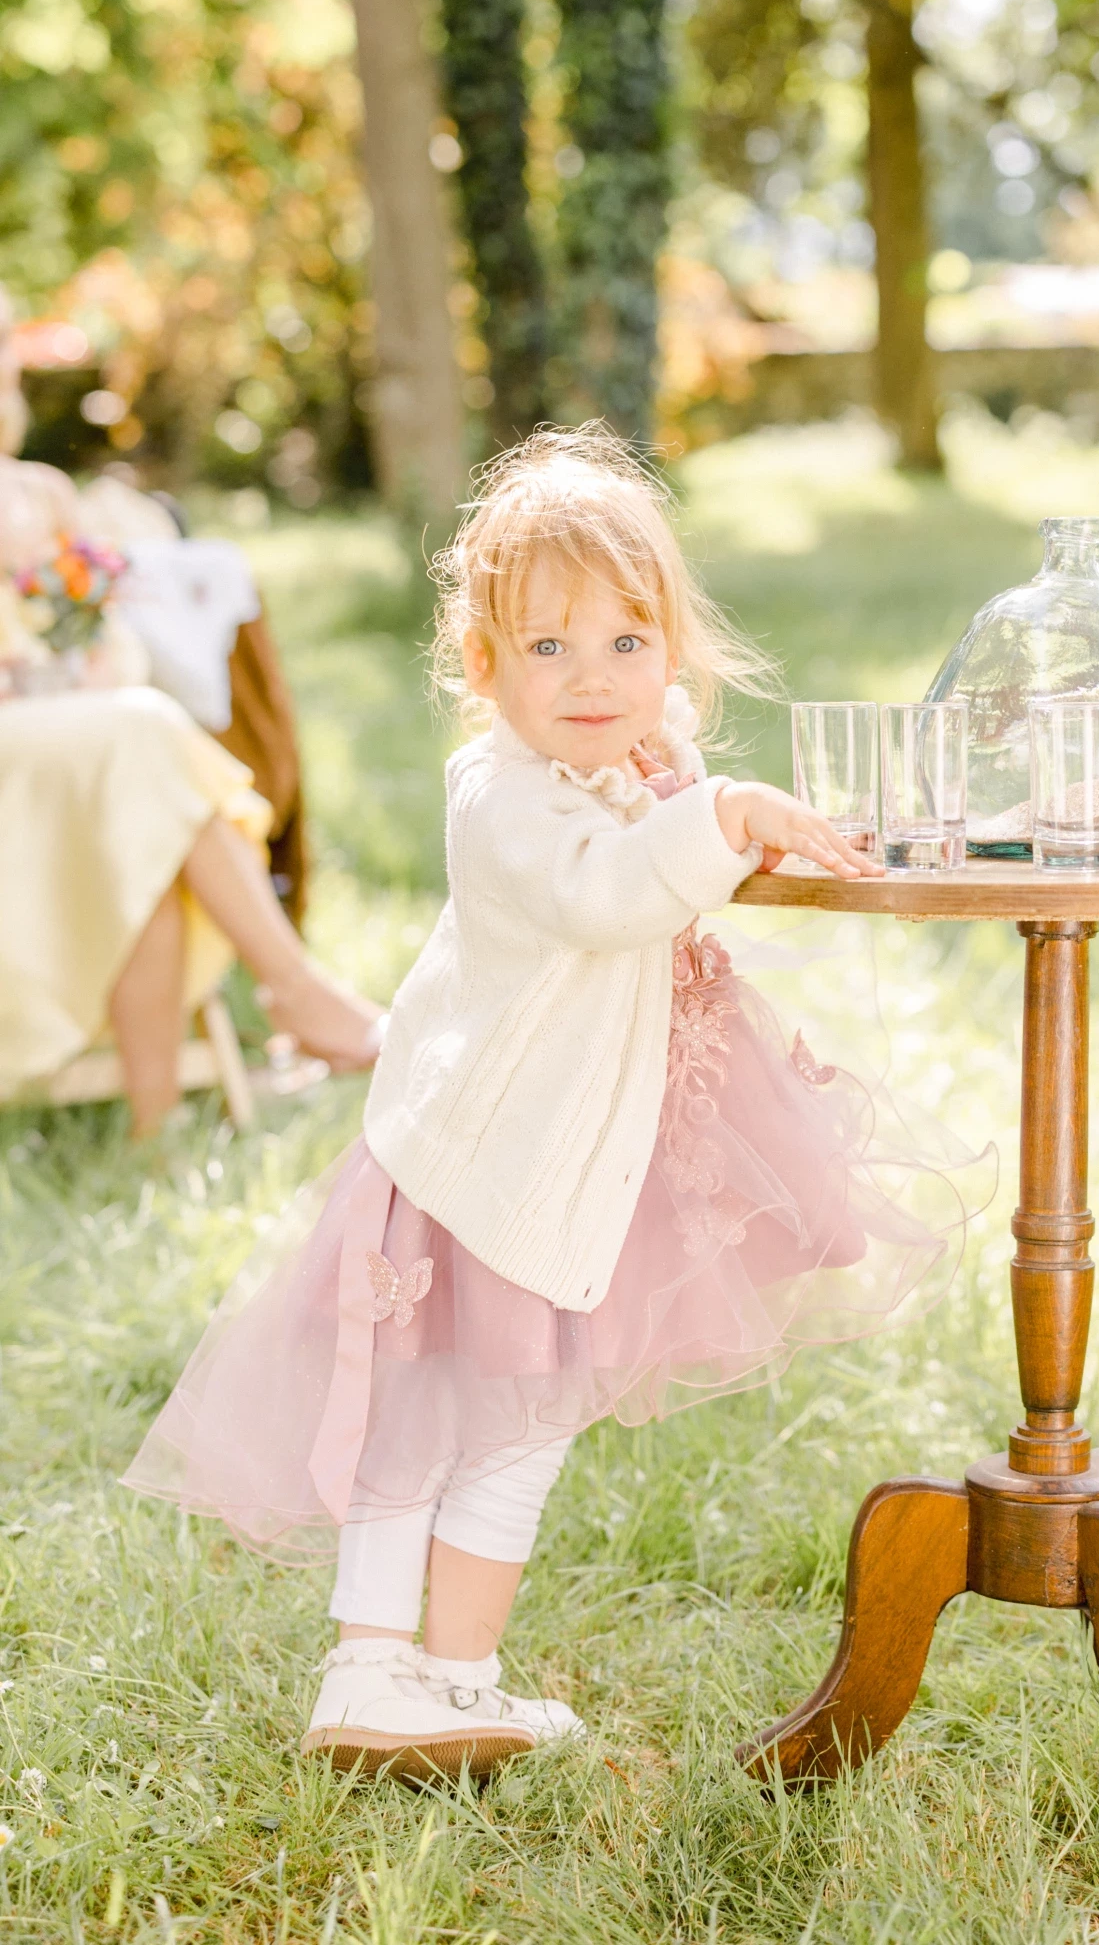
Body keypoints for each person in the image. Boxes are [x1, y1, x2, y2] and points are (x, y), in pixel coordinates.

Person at [123, 427, 983, 1779]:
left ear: (674, 655)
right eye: (546, 649)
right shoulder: (500, 794)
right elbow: (608, 890)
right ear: (482, 667)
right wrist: (725, 818)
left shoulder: (631, 765)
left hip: (566, 1157)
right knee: (441, 1420)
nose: (593, 679)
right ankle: (377, 1671)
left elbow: (669, 835)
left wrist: (737, 812)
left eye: (626, 646)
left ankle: (441, 1680)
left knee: (509, 1426)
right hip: (487, 1168)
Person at [0, 298, 380, 1134]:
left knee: (141, 803)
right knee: (140, 742)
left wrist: (86, 658)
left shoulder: (43, 492)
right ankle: (297, 990)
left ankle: (155, 1135)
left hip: (74, 733)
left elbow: (110, 638)